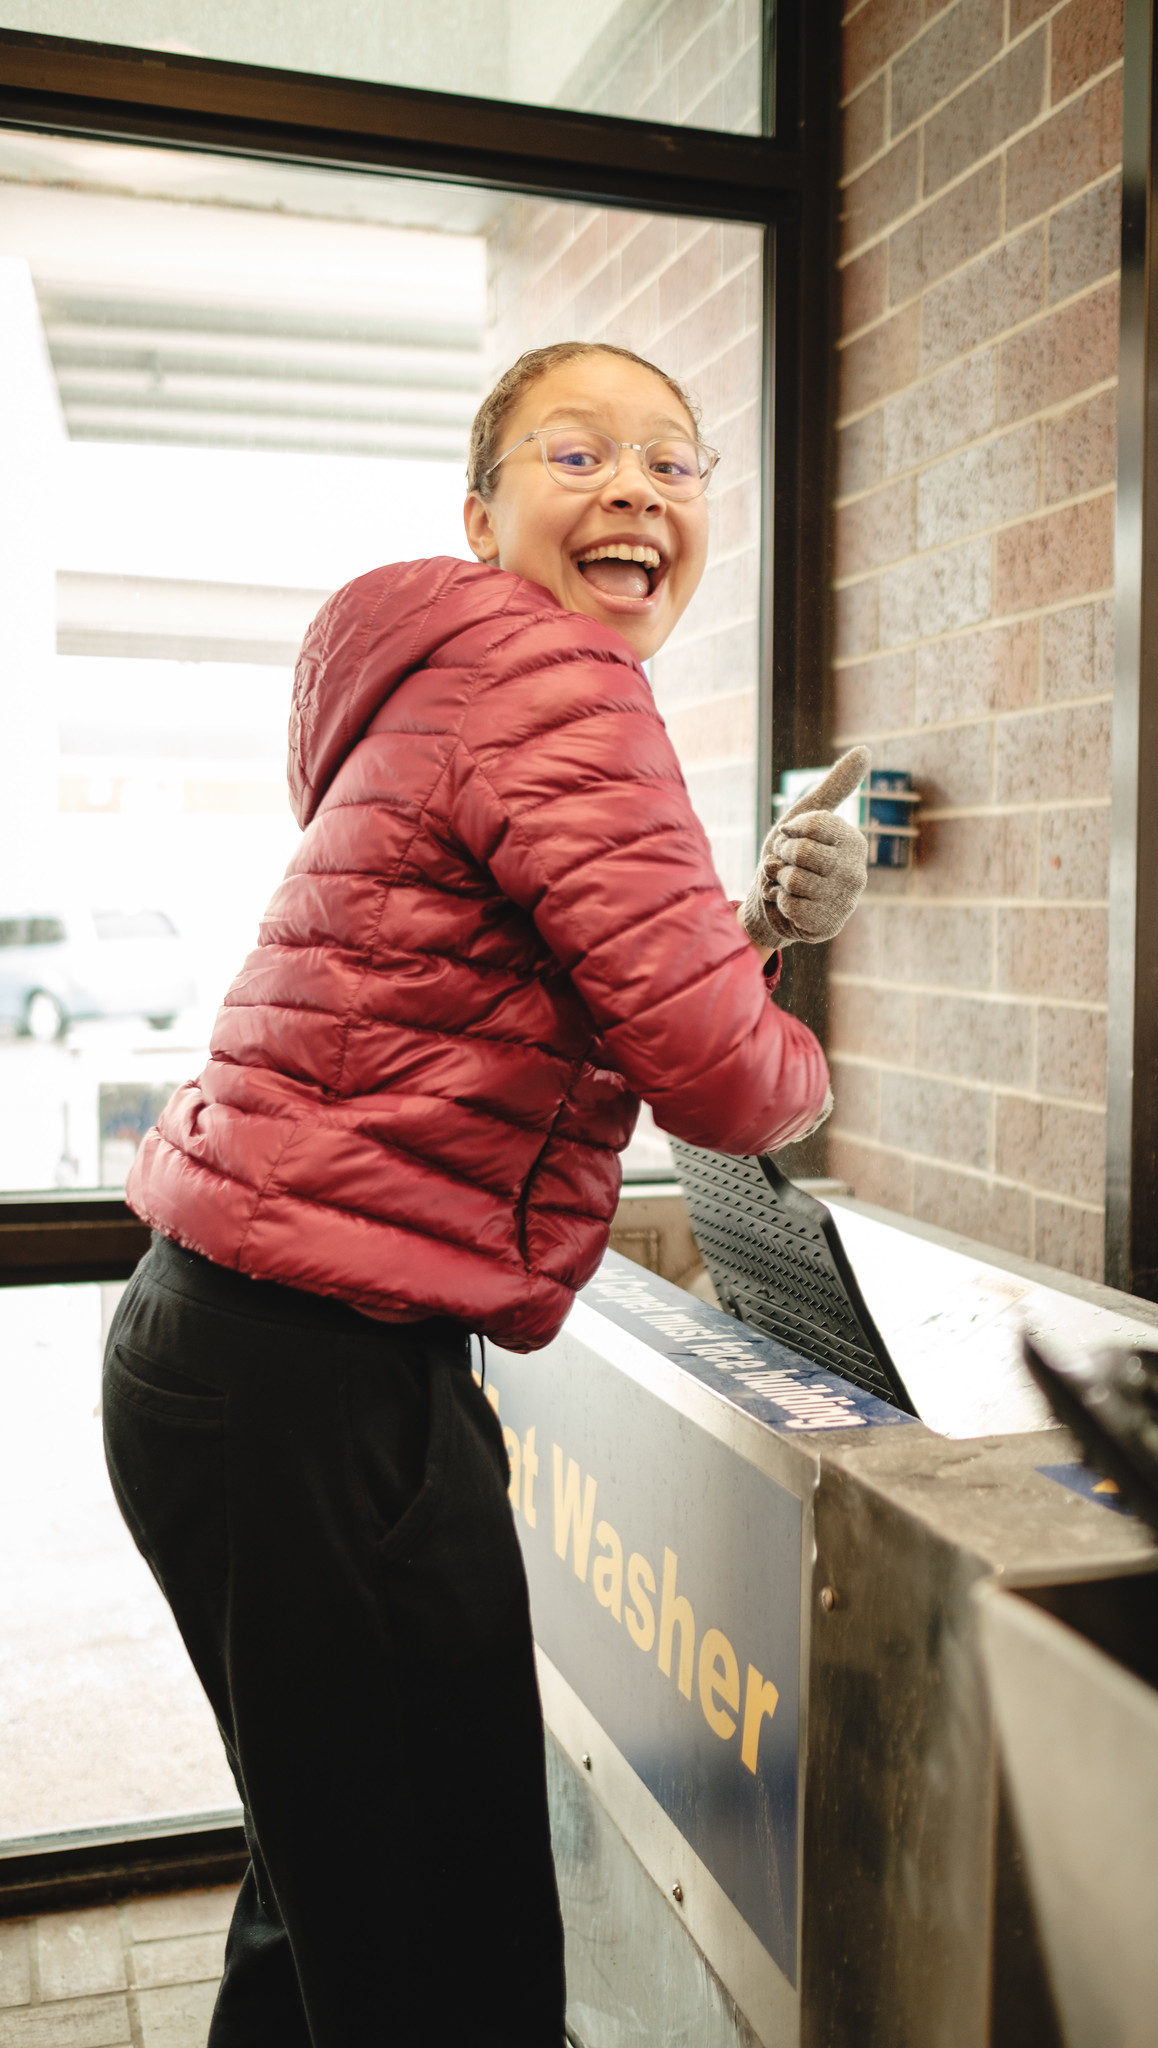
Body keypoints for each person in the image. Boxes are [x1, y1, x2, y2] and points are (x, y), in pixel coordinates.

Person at [103, 340, 869, 2046]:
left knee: (323, 1911)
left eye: (673, 462)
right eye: (575, 455)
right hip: (322, 1391)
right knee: (448, 1962)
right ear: (480, 515)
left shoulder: (440, 674)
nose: (632, 489)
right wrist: (788, 1040)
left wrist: (742, 931)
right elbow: (721, 1077)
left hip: (215, 1354)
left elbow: (532, 968)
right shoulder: (563, 680)